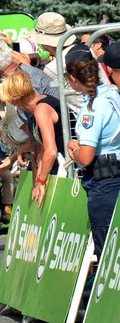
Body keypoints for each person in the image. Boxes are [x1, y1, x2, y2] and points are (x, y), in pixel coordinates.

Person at [65, 44, 120, 260]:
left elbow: (86, 157)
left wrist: (74, 149)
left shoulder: (94, 107)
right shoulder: (112, 96)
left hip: (104, 183)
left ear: (73, 79)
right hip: (113, 173)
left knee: (108, 251)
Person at [0, 69, 65, 208]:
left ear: (17, 99)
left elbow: (50, 151)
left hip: (65, 167)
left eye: (13, 103)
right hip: (57, 166)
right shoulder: (36, 109)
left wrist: (41, 181)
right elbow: (40, 150)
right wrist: (37, 182)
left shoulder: (42, 109)